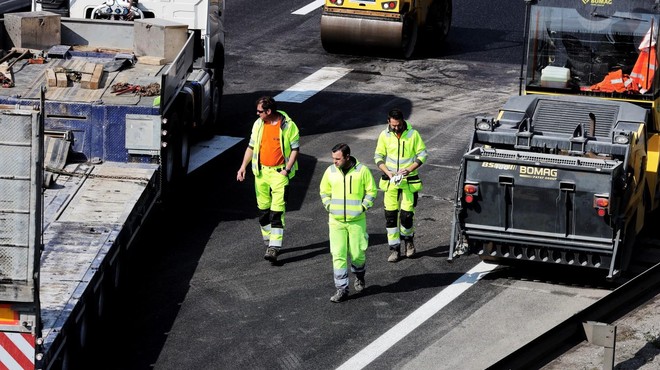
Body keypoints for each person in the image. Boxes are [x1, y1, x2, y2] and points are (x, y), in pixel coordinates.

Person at [237, 96, 300, 263]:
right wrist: (243, 166)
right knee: (264, 211)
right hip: (261, 174)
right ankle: (268, 240)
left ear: (268, 111)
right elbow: (251, 147)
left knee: (277, 212)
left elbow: (295, 149)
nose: (257, 114)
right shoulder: (258, 124)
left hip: (279, 175)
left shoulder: (287, 126)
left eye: (259, 111)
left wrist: (286, 170)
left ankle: (274, 247)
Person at [320, 143, 377, 303]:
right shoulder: (330, 171)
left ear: (347, 157)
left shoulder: (362, 171)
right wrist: (329, 206)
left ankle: (359, 276)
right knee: (338, 255)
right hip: (336, 221)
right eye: (333, 158)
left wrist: (363, 207)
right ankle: (342, 289)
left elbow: (371, 191)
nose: (334, 162)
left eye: (337, 158)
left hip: (356, 221)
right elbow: (324, 191)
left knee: (358, 254)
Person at [374, 108, 428, 262]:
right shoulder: (384, 135)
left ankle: (409, 242)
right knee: (390, 217)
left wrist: (409, 169)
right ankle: (394, 249)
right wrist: (388, 172)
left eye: (398, 125)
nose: (396, 128)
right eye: (393, 125)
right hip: (390, 181)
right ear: (388, 122)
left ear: (403, 121)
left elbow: (423, 154)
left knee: (406, 216)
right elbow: (378, 156)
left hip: (408, 182)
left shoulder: (413, 134)